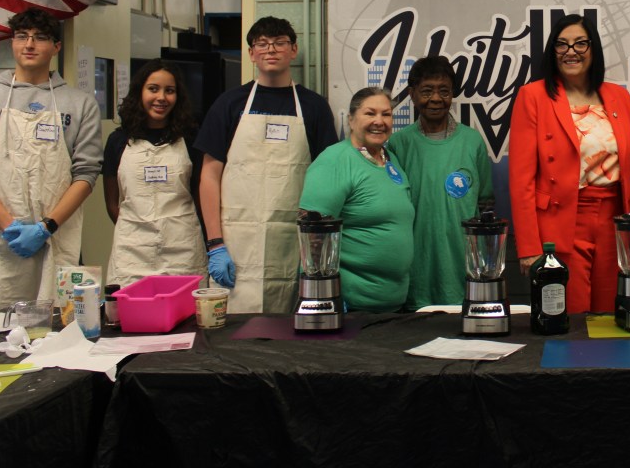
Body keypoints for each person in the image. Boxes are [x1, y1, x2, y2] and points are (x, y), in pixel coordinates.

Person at [0, 7, 103, 319]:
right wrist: (9, 225)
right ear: (12, 42)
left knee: (58, 325)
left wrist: (46, 227)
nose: (29, 44)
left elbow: (86, 173)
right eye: (22, 37)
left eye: (40, 38)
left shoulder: (79, 103)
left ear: (56, 47)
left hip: (55, 237)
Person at [194, 16, 338, 314]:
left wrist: (319, 245)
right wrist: (215, 244)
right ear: (251, 53)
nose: (270, 50)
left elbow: (328, 178)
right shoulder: (229, 103)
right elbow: (209, 174)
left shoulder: (314, 106)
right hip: (236, 241)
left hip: (293, 243)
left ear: (293, 50)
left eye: (279, 43)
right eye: (261, 44)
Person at [509, 13, 630, 314]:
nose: (571, 51)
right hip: (561, 222)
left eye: (580, 43)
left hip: (615, 221)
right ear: (552, 52)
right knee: (569, 317)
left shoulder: (619, 96)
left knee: (611, 313)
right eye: (562, 44)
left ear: (593, 49)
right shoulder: (532, 96)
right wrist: (530, 248)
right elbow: (522, 180)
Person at [389, 56, 494, 309]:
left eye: (444, 91)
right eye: (427, 91)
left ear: (452, 95)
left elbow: (486, 204)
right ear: (413, 95)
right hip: (415, 268)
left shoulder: (472, 142)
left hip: (462, 269)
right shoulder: (399, 144)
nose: (436, 99)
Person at [299, 87, 414, 312]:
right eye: (370, 113)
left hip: (393, 303)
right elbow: (311, 238)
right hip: (351, 306)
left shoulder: (391, 161)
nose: (379, 121)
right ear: (351, 120)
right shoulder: (335, 161)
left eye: (386, 114)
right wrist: (324, 298)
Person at [103, 59, 205, 288]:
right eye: (153, 89)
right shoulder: (118, 141)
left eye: (169, 91)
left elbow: (200, 195)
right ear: (139, 92)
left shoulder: (191, 139)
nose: (161, 97)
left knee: (186, 318)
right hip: (132, 252)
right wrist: (136, 232)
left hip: (183, 248)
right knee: (132, 318)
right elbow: (112, 203)